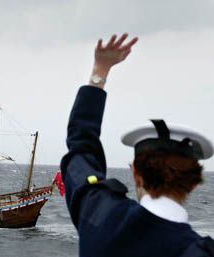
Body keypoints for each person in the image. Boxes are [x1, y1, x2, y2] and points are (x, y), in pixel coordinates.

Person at [61, 33, 214, 257]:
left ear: (136, 174)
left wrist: (100, 71)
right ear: (193, 183)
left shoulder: (100, 213)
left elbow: (81, 146)